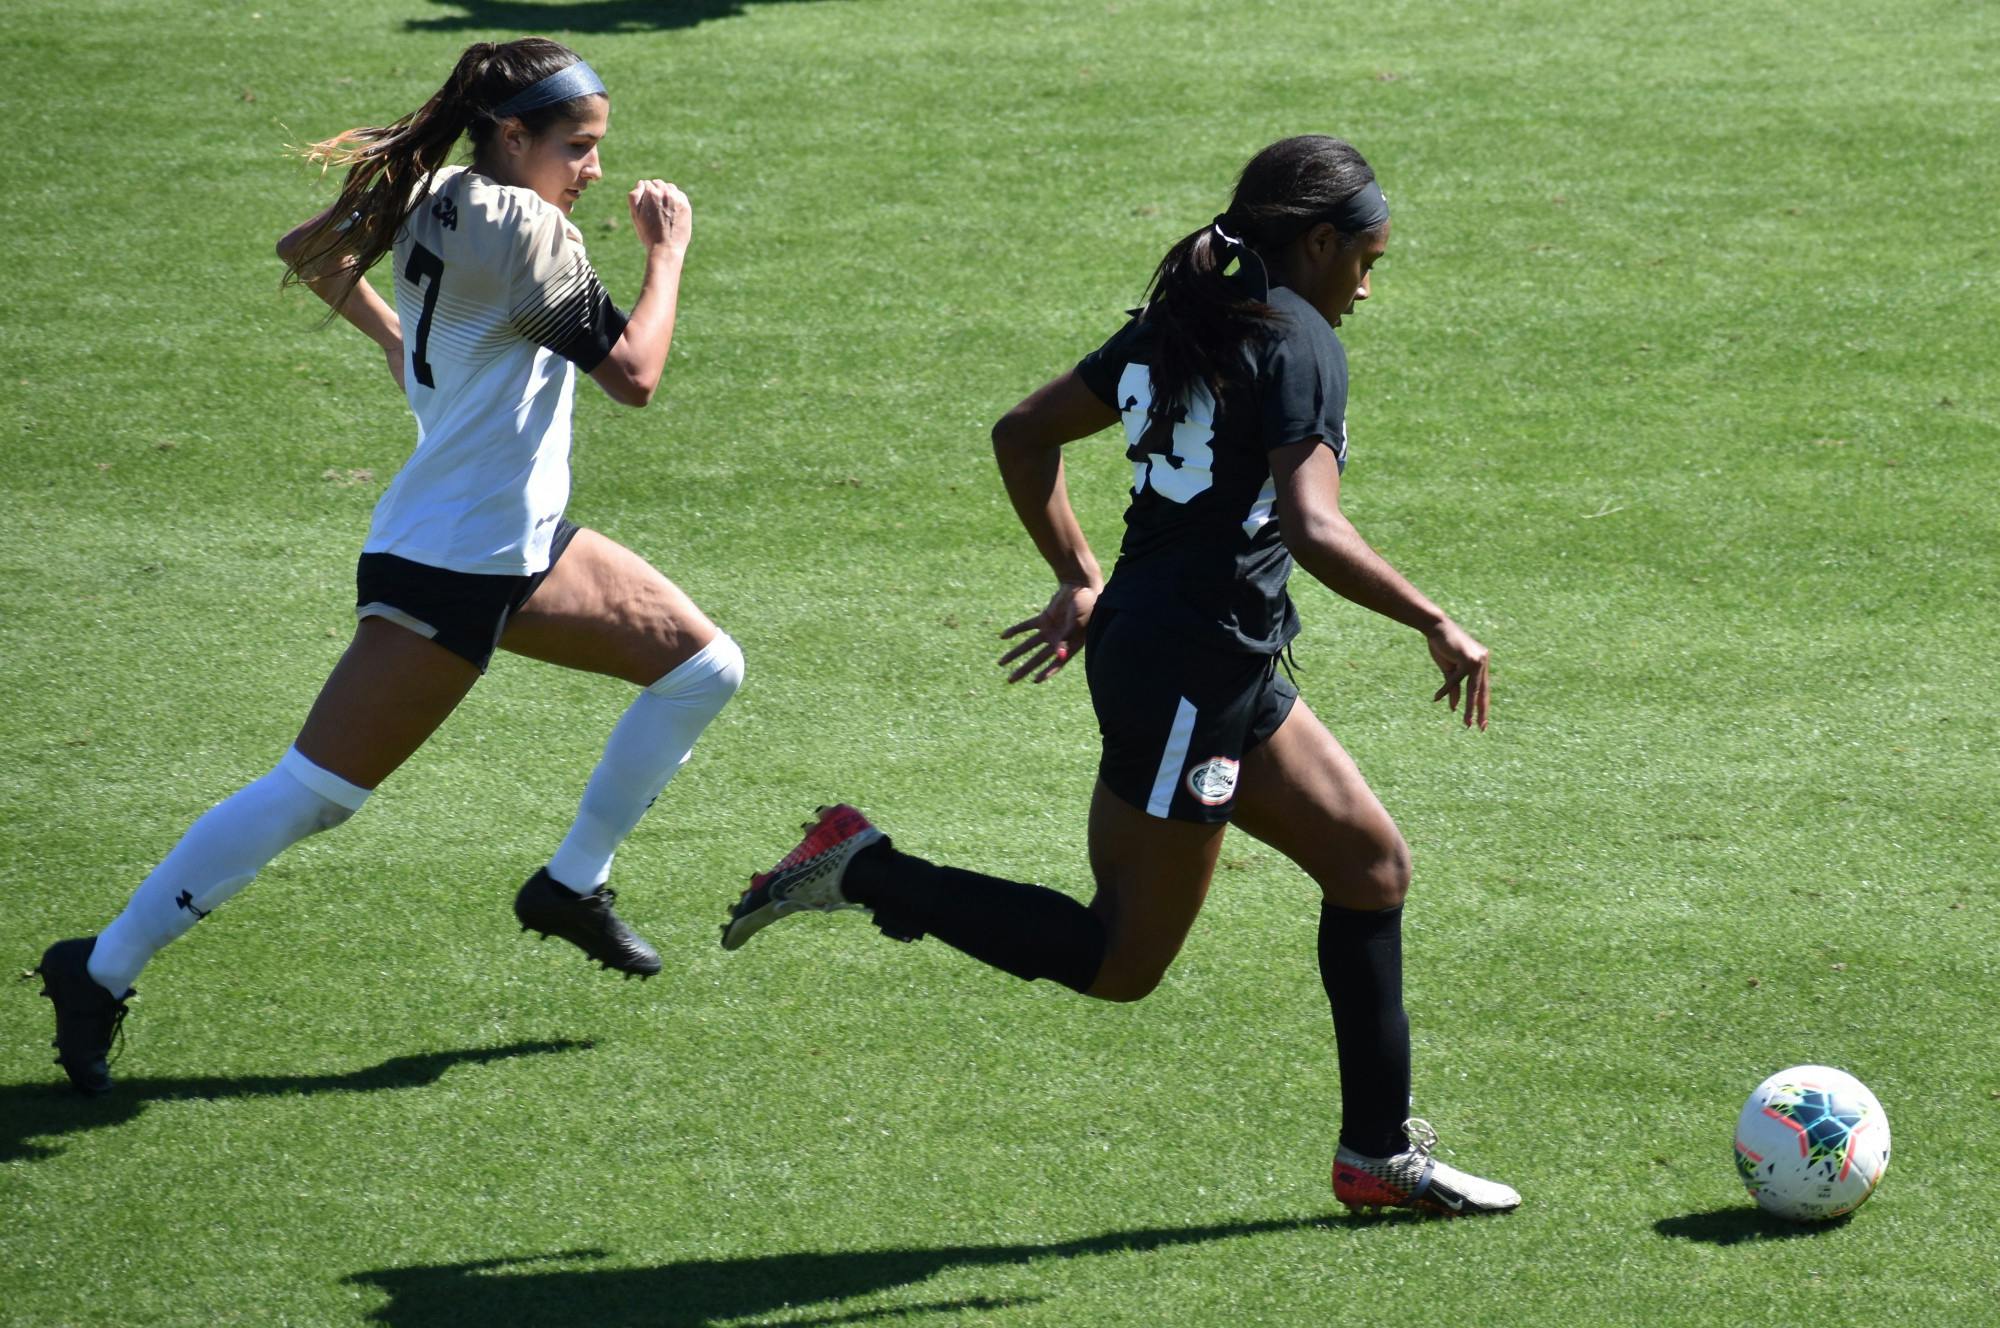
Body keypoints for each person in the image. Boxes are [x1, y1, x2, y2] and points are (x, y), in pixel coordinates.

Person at [721, 136, 1518, 1217]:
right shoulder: (1300, 341)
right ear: (1318, 242)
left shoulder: (1183, 321)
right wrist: (1433, 619)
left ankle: (1376, 1154)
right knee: (1119, 958)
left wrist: (1080, 574)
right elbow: (1309, 522)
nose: (1368, 285)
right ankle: (864, 867)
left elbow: (1022, 434)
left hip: (1204, 654)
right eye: (1366, 258)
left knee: (1370, 867)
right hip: (1187, 674)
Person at [34, 37, 742, 1096]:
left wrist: (418, 372)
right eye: (577, 147)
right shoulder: (526, 225)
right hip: (451, 558)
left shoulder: (439, 188)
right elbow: (633, 375)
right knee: (315, 792)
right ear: (515, 137)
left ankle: (570, 883)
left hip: (521, 539)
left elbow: (308, 249)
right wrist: (668, 249)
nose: (591, 168)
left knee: (701, 665)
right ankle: (98, 966)